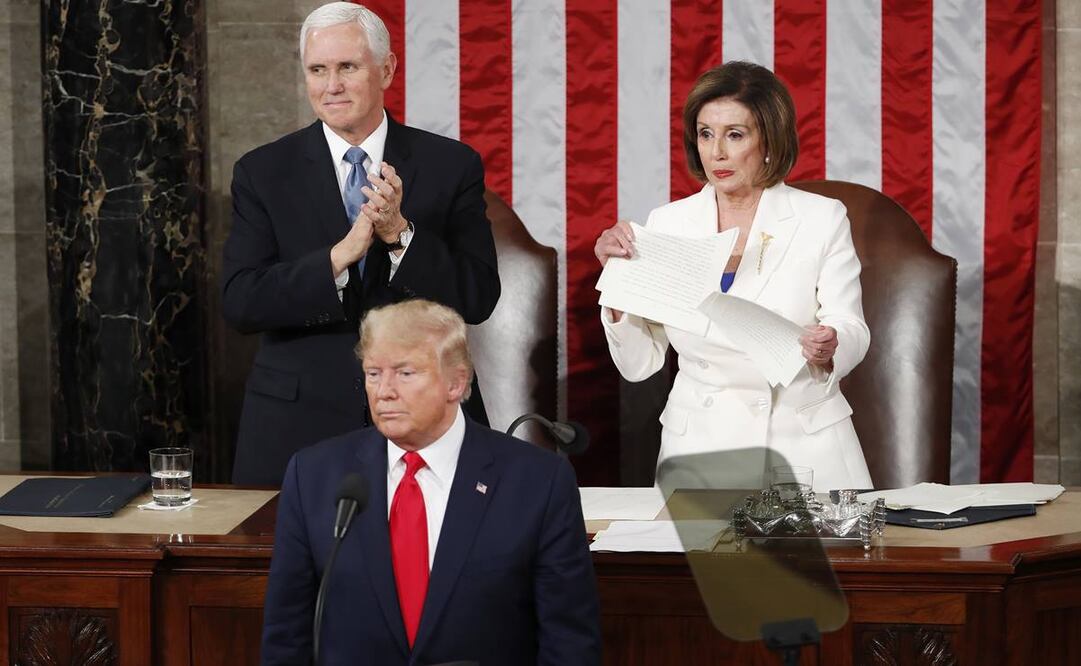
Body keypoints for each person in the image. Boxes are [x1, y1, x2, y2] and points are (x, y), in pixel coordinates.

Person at [222, 2, 500, 486]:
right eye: (318, 70)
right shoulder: (262, 172)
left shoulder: (450, 165)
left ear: (386, 69)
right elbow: (241, 301)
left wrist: (400, 237)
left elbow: (477, 297)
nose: (332, 86)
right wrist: (336, 259)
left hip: (425, 418)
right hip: (296, 426)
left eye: (347, 67)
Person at [260, 299, 601, 665]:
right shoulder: (314, 476)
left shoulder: (538, 482)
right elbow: (286, 637)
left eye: (405, 373)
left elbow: (570, 644)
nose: (384, 391)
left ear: (456, 382)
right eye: (374, 373)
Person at [594, 61, 872, 492]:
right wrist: (615, 287)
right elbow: (639, 363)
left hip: (803, 450)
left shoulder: (821, 218)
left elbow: (851, 324)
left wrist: (830, 344)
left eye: (735, 135)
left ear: (769, 141)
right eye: (705, 134)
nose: (716, 152)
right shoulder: (667, 223)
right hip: (700, 449)